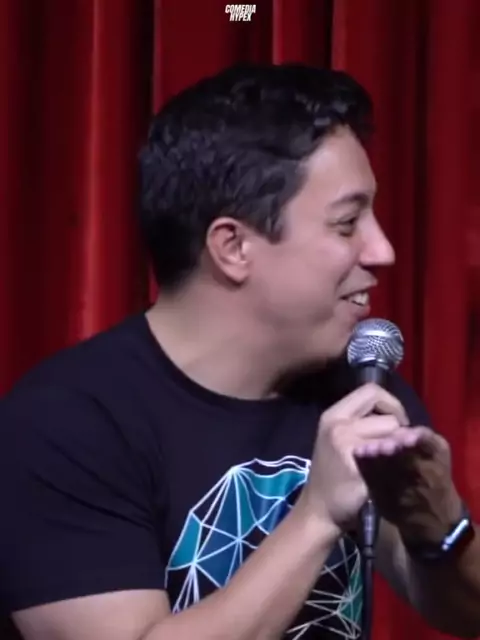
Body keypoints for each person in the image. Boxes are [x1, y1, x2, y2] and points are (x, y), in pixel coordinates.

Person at [0, 63, 479, 640]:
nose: (383, 251)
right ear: (233, 247)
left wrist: (444, 528)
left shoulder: (361, 389)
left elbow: (465, 613)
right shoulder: (65, 425)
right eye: (348, 222)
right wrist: (316, 516)